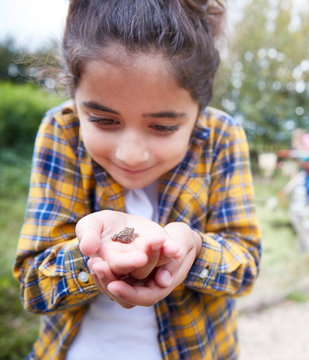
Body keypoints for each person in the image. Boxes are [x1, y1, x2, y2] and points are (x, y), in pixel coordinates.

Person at [13, 1, 261, 359]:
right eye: (102, 119)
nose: (130, 154)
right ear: (75, 96)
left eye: (162, 127)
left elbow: (246, 265)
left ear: (198, 111)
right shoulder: (61, 131)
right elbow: (34, 286)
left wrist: (193, 249)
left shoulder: (222, 137)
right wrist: (93, 256)